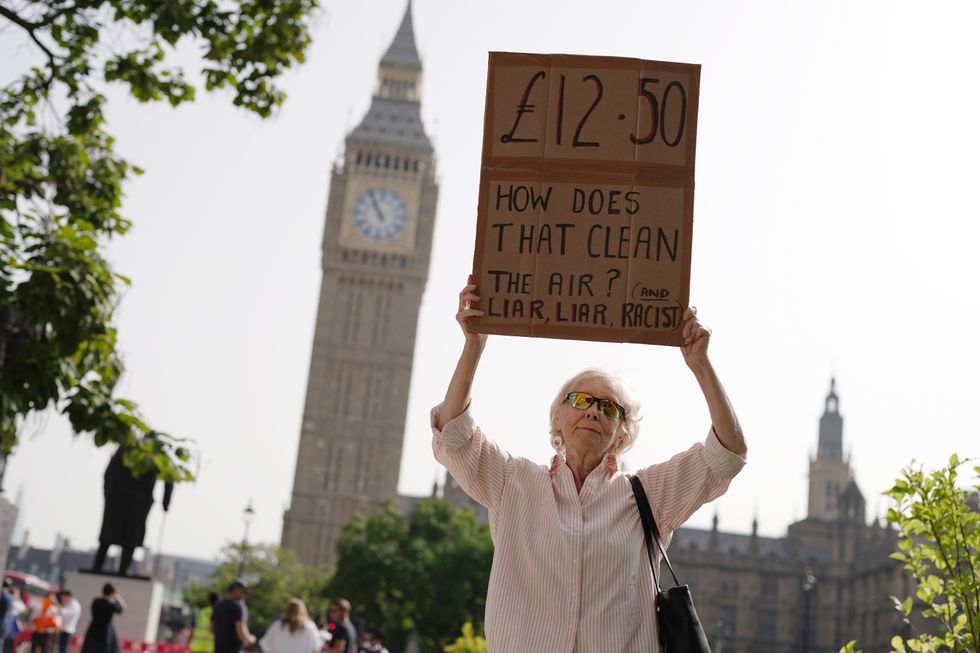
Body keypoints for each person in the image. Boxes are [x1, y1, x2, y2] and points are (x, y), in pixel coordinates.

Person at [431, 278, 748, 652]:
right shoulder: (512, 482)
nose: (595, 410)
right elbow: (453, 434)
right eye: (581, 400)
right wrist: (474, 344)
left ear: (621, 433)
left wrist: (700, 363)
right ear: (558, 419)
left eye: (611, 408)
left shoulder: (648, 495)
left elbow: (727, 453)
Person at [92, 433, 174, 576]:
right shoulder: (142, 451)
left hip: (127, 502)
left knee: (118, 538)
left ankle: (106, 568)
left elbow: (107, 473)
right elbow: (170, 478)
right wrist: (165, 503)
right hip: (128, 502)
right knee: (120, 538)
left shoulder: (135, 449)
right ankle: (112, 569)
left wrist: (108, 493)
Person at [80, 583, 124, 653]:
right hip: (105, 631)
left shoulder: (96, 601)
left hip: (93, 628)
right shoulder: (110, 605)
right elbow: (121, 609)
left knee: (91, 648)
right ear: (112, 593)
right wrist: (117, 595)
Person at [211, 582, 254, 653]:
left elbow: (211, 629)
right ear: (236, 590)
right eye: (243, 592)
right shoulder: (238, 607)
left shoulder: (218, 606)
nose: (244, 595)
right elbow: (241, 632)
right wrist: (250, 638)